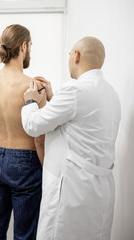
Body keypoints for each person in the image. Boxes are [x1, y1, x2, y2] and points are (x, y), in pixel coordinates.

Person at [21, 36, 121, 240]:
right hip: (99, 190)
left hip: (71, 189)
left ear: (76, 55)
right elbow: (78, 119)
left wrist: (31, 101)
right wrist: (52, 97)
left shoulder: (74, 90)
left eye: (69, 54)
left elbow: (33, 125)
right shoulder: (111, 93)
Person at [0, 24, 45, 240]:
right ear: (24, 46)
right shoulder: (32, 86)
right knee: (24, 232)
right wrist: (45, 167)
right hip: (26, 162)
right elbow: (39, 136)